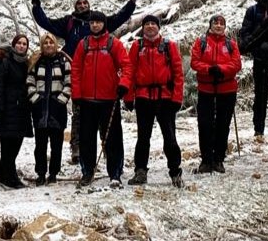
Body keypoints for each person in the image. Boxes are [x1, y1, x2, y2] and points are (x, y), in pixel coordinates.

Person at [30, 0, 142, 163]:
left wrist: (133, 0)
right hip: (76, 76)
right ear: (75, 6)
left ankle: (106, 150)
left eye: (85, 2)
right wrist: (36, 4)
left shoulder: (99, 20)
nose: (82, 5)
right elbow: (46, 22)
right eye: (79, 3)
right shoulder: (68, 23)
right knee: (79, 115)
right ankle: (77, 149)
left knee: (103, 117)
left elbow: (121, 17)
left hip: (102, 77)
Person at [70, 11, 130, 188]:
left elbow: (126, 66)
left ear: (104, 24)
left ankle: (115, 173)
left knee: (113, 138)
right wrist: (77, 94)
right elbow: (76, 70)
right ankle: (87, 172)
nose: (94, 25)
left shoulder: (114, 43)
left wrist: (123, 85)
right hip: (87, 100)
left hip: (109, 99)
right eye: (92, 22)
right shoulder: (84, 44)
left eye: (98, 22)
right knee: (87, 139)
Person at [124, 14, 184, 187]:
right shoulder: (137, 45)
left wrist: (177, 98)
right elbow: (130, 71)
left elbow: (178, 73)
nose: (150, 26)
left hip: (165, 97)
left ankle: (175, 171)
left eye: (153, 24)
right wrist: (128, 97)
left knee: (170, 137)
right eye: (147, 24)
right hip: (143, 97)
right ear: (142, 28)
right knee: (143, 137)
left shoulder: (169, 46)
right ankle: (140, 171)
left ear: (158, 27)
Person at [190, 14, 242, 174]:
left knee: (222, 124)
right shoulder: (201, 42)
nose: (218, 26)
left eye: (221, 23)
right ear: (210, 25)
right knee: (205, 124)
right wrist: (209, 69)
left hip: (227, 89)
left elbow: (236, 64)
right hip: (206, 89)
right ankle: (206, 160)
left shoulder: (231, 43)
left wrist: (221, 69)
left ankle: (219, 159)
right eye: (215, 23)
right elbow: (194, 62)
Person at [0, 34, 33, 189]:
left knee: (16, 144)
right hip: (7, 109)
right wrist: (0, 108)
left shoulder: (27, 63)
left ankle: (1, 176)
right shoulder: (5, 61)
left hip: (22, 109)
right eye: (19, 43)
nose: (21, 46)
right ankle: (11, 179)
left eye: (24, 44)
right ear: (14, 45)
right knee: (8, 147)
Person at [27, 33, 71, 186]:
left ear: (55, 44)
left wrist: (61, 100)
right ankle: (40, 173)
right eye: (45, 43)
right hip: (40, 109)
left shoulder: (63, 61)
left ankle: (53, 173)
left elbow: (69, 82)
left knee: (56, 145)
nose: (48, 45)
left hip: (57, 108)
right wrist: (35, 99)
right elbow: (30, 81)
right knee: (40, 145)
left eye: (51, 43)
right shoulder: (36, 62)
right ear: (42, 45)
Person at [239, 0, 268, 139]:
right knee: (260, 93)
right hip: (259, 57)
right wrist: (255, 47)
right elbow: (245, 32)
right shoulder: (252, 11)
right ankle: (259, 128)